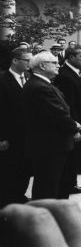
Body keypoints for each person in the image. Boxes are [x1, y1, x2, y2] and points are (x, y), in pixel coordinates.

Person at [23, 51, 81, 200]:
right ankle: (48, 219)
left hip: (51, 145)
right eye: (54, 63)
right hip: (50, 147)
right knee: (48, 187)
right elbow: (57, 114)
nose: (58, 66)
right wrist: (74, 126)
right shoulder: (39, 87)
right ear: (42, 66)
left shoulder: (41, 83)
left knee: (53, 185)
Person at [53, 45, 81, 195]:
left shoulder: (77, 72)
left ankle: (71, 183)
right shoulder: (65, 76)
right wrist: (73, 129)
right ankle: (68, 185)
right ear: (71, 57)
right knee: (72, 157)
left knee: (77, 156)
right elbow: (68, 105)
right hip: (77, 125)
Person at [0, 48, 32, 207]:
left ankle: (19, 194)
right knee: (9, 168)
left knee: (25, 167)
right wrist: (1, 137)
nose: (30, 63)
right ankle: (7, 199)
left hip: (27, 135)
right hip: (10, 136)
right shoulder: (3, 81)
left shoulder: (28, 77)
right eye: (27, 60)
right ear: (15, 60)